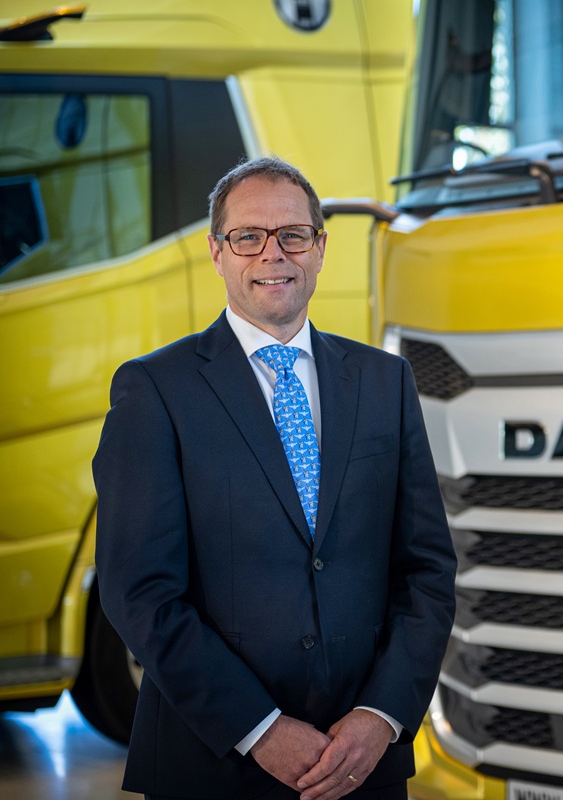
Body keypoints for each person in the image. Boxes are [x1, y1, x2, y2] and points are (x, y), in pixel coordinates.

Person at [93, 156, 457, 800]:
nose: (273, 253)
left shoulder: (385, 382)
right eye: (248, 237)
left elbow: (426, 568)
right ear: (217, 252)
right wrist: (258, 729)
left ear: (320, 248)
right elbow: (139, 591)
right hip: (214, 764)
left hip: (362, 762)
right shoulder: (155, 390)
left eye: (293, 234)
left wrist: (381, 715)